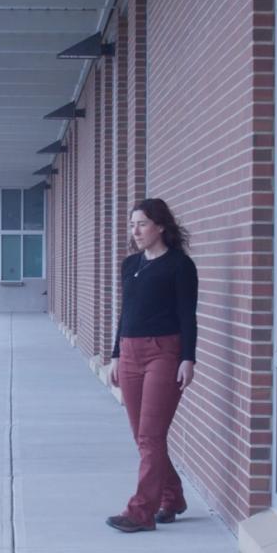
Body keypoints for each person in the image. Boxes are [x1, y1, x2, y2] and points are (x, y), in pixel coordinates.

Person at [105, 199, 199, 533]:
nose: (135, 231)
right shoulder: (130, 264)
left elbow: (187, 315)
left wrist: (188, 358)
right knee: (144, 438)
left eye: (142, 224)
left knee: (150, 436)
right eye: (132, 225)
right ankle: (172, 497)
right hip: (129, 353)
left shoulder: (179, 266)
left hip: (164, 352)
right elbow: (125, 314)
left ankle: (141, 511)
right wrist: (115, 355)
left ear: (160, 226)